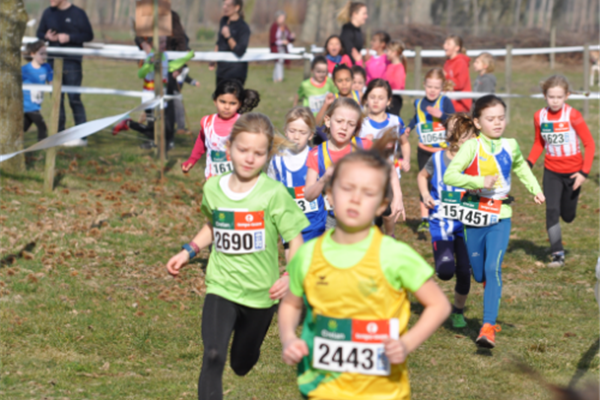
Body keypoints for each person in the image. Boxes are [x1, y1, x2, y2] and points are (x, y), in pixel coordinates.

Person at [278, 133, 451, 400]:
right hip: (321, 389)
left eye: (368, 193)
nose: (356, 199)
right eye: (347, 188)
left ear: (382, 205)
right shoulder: (308, 255)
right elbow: (291, 304)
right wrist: (289, 337)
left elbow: (438, 305)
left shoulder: (394, 255)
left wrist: (406, 344)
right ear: (330, 194)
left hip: (381, 392)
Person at [166, 112, 310, 400]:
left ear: (267, 155)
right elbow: (213, 224)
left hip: (261, 294)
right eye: (242, 150)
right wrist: (189, 250)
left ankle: (248, 349)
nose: (249, 158)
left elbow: (295, 240)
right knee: (214, 354)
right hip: (222, 286)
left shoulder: (274, 194)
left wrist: (290, 275)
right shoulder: (213, 188)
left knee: (241, 364)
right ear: (229, 146)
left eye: (258, 153)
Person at [444, 95, 545, 348]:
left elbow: (521, 167)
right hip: (474, 213)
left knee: (493, 269)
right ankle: (487, 293)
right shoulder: (471, 147)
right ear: (477, 122)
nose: (498, 123)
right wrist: (479, 182)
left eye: (501, 117)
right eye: (491, 119)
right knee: (478, 272)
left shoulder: (510, 145)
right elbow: (450, 175)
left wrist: (535, 188)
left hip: (501, 215)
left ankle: (488, 327)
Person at [526, 75, 595, 268]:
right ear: (544, 96)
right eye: (550, 97)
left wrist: (584, 173)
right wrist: (529, 162)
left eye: (558, 97)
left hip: (574, 174)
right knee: (551, 211)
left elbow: (589, 144)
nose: (554, 101)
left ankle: (569, 209)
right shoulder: (539, 116)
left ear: (567, 96)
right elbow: (539, 142)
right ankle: (557, 254)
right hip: (552, 171)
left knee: (568, 215)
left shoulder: (573, 115)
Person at [417, 113, 477, 329]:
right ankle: (432, 294)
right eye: (463, 135)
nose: (466, 139)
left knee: (464, 272)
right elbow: (422, 176)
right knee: (444, 271)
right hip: (441, 224)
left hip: (466, 225)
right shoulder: (437, 159)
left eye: (471, 135)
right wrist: (425, 195)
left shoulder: (475, 161)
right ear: (451, 136)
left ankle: (458, 312)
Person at [111, 37, 194, 151]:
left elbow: (171, 66)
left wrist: (187, 57)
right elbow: (141, 74)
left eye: (164, 42)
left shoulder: (164, 56)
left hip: (161, 97)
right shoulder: (150, 57)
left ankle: (129, 123)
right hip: (149, 98)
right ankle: (129, 124)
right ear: (153, 43)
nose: (163, 44)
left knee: (165, 128)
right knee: (151, 130)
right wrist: (148, 64)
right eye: (160, 42)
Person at [268, 107, 327, 260]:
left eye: (302, 132)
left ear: (310, 135)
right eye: (293, 131)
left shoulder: (316, 157)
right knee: (292, 259)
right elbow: (270, 185)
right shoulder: (278, 158)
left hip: (315, 221)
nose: (296, 136)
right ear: (286, 131)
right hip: (289, 221)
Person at [36, 0, 93, 147]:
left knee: (74, 99)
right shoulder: (48, 12)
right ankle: (59, 135)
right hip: (52, 64)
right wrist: (46, 36)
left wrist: (69, 37)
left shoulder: (78, 13)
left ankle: (82, 137)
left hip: (72, 63)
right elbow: (39, 33)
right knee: (56, 99)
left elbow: (88, 34)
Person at [405, 68, 455, 233]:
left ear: (442, 88)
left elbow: (454, 121)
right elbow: (416, 117)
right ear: (424, 85)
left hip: (441, 152)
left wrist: (441, 115)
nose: (432, 90)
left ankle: (446, 214)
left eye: (436, 87)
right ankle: (425, 219)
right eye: (429, 86)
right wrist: (409, 128)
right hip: (424, 150)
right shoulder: (419, 103)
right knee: (424, 182)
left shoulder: (445, 102)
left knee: (444, 182)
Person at [359, 79, 409, 236]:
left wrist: (406, 159)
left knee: (388, 211)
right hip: (366, 177)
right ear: (366, 99)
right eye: (372, 97)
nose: (375, 101)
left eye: (381, 98)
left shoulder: (395, 122)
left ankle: (390, 235)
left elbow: (405, 143)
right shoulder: (360, 124)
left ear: (388, 101)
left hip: (390, 175)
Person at [182, 80, 260, 178]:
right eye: (222, 102)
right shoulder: (207, 122)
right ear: (215, 101)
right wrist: (192, 159)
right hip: (212, 179)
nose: (227, 107)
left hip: (237, 180)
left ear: (239, 104)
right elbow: (202, 141)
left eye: (232, 103)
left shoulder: (243, 124)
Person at [211, 0, 251, 86]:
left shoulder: (243, 27)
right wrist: (213, 59)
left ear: (237, 8)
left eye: (228, 5)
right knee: (219, 98)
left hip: (235, 73)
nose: (224, 7)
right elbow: (219, 42)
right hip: (221, 71)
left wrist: (228, 36)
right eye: (224, 5)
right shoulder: (223, 20)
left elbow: (240, 51)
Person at [22, 40, 53, 142]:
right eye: (41, 53)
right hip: (27, 105)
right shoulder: (24, 70)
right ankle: (42, 147)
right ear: (32, 54)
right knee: (42, 126)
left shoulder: (46, 67)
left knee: (23, 127)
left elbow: (51, 82)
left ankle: (11, 143)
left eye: (45, 53)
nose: (44, 56)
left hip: (37, 104)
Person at [443, 35, 472, 113]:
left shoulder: (461, 62)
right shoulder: (447, 63)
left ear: (457, 48)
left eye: (448, 44)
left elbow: (460, 84)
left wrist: (446, 76)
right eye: (445, 43)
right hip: (449, 104)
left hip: (460, 107)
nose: (444, 46)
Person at [338, 1, 368, 65]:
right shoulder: (347, 30)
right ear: (354, 14)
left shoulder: (358, 30)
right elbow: (349, 53)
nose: (366, 16)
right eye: (364, 14)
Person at [270, 10, 295, 83]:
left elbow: (288, 37)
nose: (283, 19)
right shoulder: (274, 26)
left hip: (283, 48)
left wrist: (292, 37)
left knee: (281, 62)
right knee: (278, 62)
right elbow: (273, 39)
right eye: (281, 17)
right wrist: (282, 42)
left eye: (283, 18)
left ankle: (277, 78)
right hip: (276, 48)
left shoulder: (284, 27)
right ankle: (278, 78)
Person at [384, 40, 407, 115]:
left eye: (388, 51)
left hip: (394, 98)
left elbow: (397, 86)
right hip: (387, 96)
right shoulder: (389, 66)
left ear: (395, 52)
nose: (386, 53)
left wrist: (386, 85)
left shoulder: (400, 68)